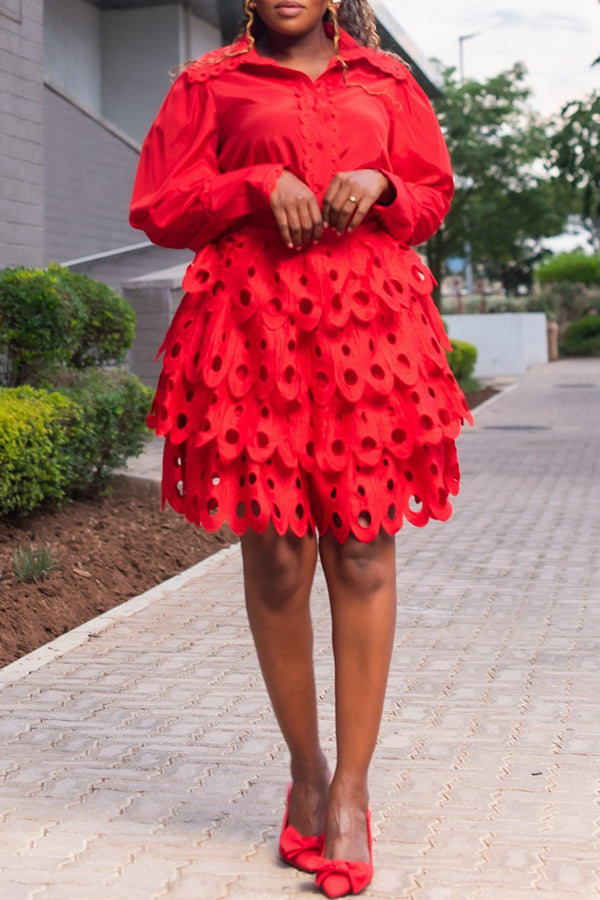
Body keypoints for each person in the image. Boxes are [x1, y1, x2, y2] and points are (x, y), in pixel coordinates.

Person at [130, 1, 473, 895]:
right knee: (278, 558)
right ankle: (308, 771)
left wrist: (385, 186)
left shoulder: (388, 82)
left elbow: (432, 196)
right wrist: (251, 185)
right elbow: (158, 206)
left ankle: (352, 794)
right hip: (252, 331)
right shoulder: (208, 84)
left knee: (362, 548)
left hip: (370, 332)